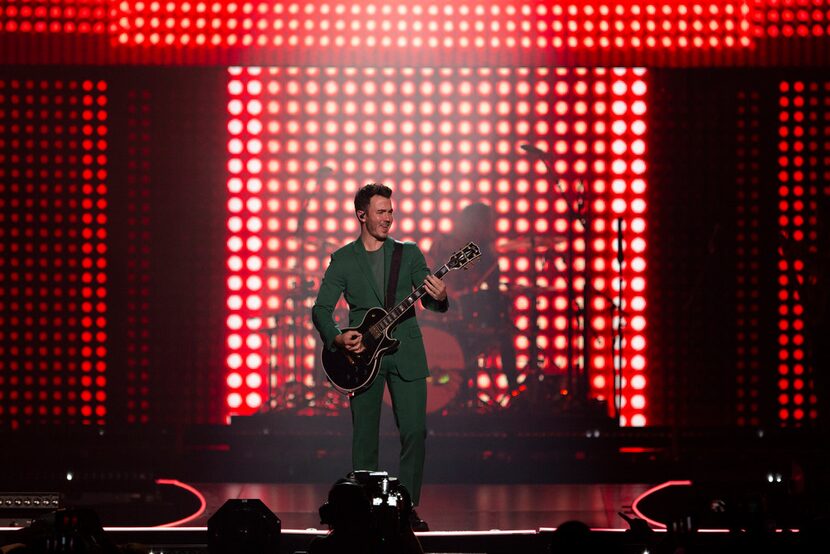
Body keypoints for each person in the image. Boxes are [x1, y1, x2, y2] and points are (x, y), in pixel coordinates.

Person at [312, 183, 448, 531]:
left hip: (407, 354)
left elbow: (430, 301)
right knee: (365, 438)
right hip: (361, 359)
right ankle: (362, 511)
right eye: (381, 212)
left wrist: (440, 295)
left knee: (415, 432)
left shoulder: (410, 253)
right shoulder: (343, 258)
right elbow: (321, 310)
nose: (389, 217)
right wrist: (339, 338)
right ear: (362, 215)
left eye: (390, 211)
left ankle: (407, 507)